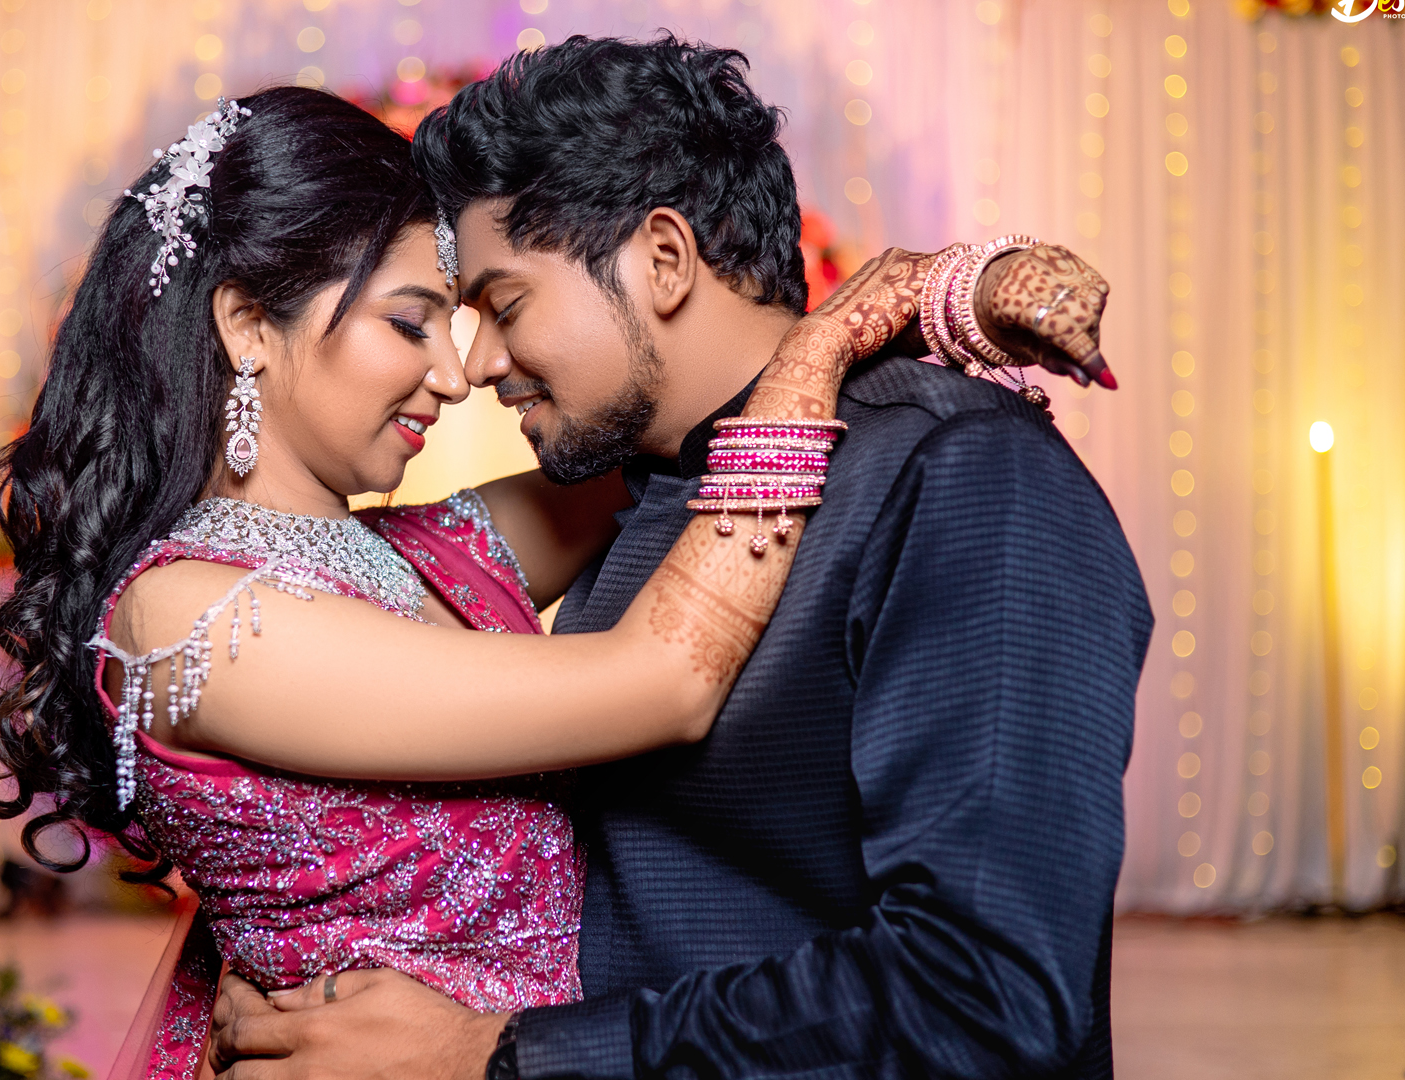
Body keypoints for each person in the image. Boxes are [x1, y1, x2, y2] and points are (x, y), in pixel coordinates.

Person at [205, 38, 1151, 1080]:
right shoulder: (628, 493)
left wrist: (499, 1057)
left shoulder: (961, 476)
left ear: (663, 259)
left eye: (504, 305)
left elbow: (981, 997)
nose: (476, 365)